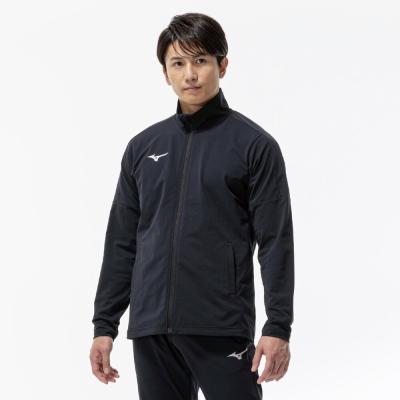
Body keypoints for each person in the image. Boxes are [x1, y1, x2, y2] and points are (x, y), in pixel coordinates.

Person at [89, 12, 295, 400]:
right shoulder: (142, 148)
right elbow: (122, 242)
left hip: (221, 325)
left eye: (200, 60)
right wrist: (105, 325)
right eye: (178, 63)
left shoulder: (254, 146)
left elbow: (275, 241)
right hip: (152, 328)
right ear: (165, 73)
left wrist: (278, 326)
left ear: (223, 65)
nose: (190, 75)